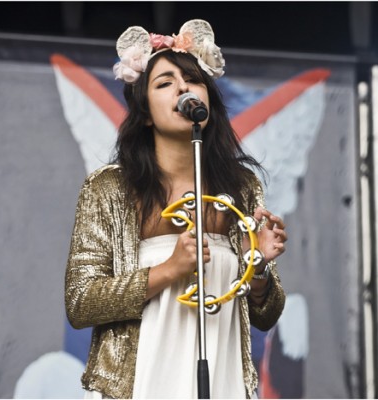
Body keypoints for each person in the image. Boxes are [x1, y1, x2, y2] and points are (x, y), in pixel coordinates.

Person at [65, 19, 287, 399]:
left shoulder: (241, 186)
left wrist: (258, 267)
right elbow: (81, 302)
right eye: (165, 83)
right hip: (140, 381)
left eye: (192, 79)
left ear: (208, 101)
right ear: (146, 112)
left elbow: (265, 316)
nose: (184, 87)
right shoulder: (111, 188)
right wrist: (169, 270)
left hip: (223, 378)